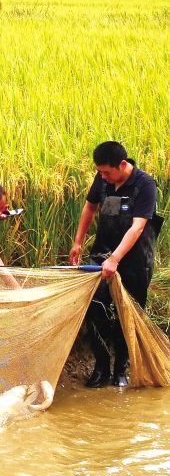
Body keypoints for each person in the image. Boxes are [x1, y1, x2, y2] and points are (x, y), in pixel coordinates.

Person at [70, 141, 160, 388]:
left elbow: (138, 226)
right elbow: (90, 207)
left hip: (136, 259)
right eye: (99, 172)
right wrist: (78, 242)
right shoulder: (103, 179)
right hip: (103, 252)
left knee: (127, 311)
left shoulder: (144, 185)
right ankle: (101, 366)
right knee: (95, 306)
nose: (102, 176)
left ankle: (121, 367)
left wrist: (116, 259)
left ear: (122, 165)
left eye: (106, 172)